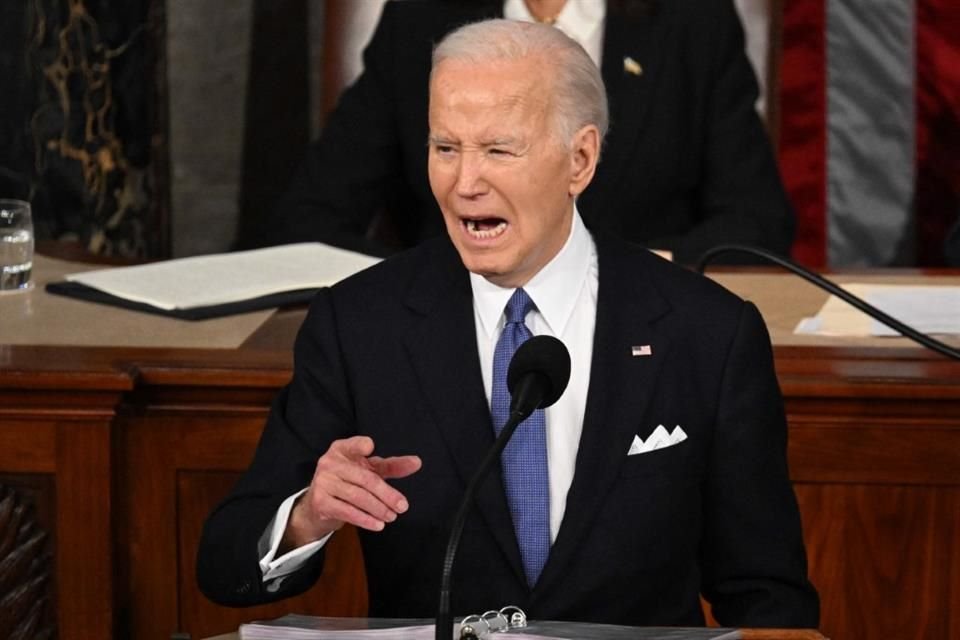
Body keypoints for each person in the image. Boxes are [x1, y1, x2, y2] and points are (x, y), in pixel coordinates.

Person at [199, 18, 819, 628]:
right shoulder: (360, 324)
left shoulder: (707, 332)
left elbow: (767, 594)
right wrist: (307, 515)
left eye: (499, 150)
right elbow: (225, 564)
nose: (465, 182)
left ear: (580, 159)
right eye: (446, 149)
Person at [244, 0, 795, 265]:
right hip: (454, 349)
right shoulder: (423, 18)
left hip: (641, 342)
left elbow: (756, 222)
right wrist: (427, 288)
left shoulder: (691, 20)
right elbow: (308, 220)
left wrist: (638, 275)